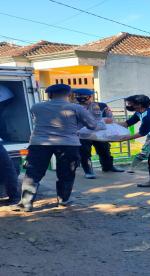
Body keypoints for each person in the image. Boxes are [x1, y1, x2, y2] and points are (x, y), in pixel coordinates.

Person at [13, 84, 97, 212]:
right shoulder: (76, 108)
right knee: (66, 173)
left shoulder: (36, 107)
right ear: (69, 95)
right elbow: (92, 125)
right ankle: (64, 200)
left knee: (33, 173)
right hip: (68, 144)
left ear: (49, 95)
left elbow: (39, 120)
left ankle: (26, 203)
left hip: (39, 143)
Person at [73, 88, 124, 179]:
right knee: (85, 152)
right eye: (78, 97)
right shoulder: (74, 107)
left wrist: (108, 118)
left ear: (90, 96)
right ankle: (88, 171)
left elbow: (109, 118)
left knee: (105, 150)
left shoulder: (101, 105)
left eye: (83, 97)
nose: (81, 99)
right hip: (83, 134)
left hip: (99, 133)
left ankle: (108, 167)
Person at [118, 94, 150, 187]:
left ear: (140, 105)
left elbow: (142, 133)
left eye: (131, 103)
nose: (129, 105)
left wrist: (123, 139)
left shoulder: (149, 116)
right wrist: (110, 126)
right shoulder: (139, 112)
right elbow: (127, 123)